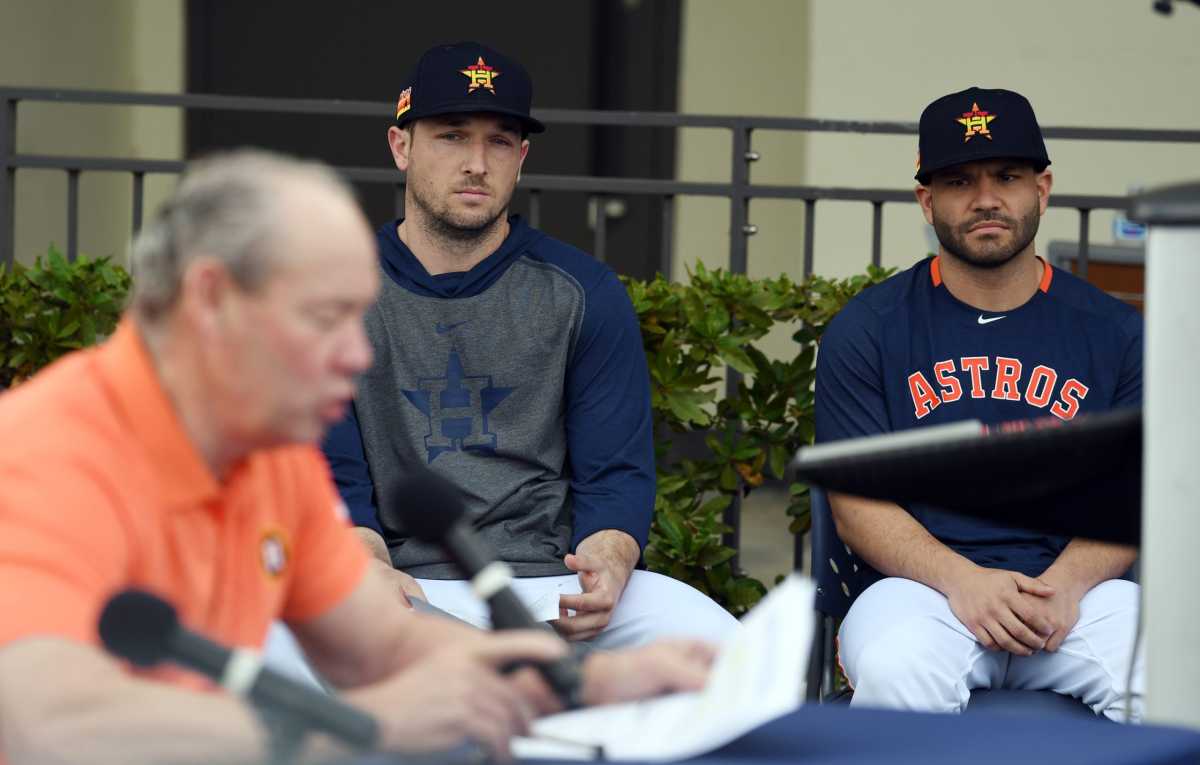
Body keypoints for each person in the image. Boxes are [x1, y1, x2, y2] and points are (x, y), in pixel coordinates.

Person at [0, 150, 715, 765]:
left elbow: (383, 646)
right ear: (212, 299)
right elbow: (41, 719)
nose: (357, 352)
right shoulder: (45, 453)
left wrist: (593, 685)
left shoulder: (268, 454)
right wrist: (360, 727)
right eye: (324, 317)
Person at [322, 41, 740, 648]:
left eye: (498, 141)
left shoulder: (584, 291)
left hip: (548, 582)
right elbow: (329, 472)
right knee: (259, 655)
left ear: (521, 158)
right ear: (401, 147)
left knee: (727, 654)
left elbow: (616, 472)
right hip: (397, 583)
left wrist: (610, 559)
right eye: (451, 136)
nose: (476, 163)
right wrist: (364, 565)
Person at [813, 87, 1143, 720]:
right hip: (923, 592)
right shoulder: (871, 328)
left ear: (1042, 189)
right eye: (960, 180)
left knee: (1176, 673)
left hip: (1076, 594)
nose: (986, 198)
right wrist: (963, 582)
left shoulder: (1115, 332)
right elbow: (857, 504)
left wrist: (1065, 586)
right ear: (926, 199)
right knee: (895, 669)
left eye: (1008, 176)